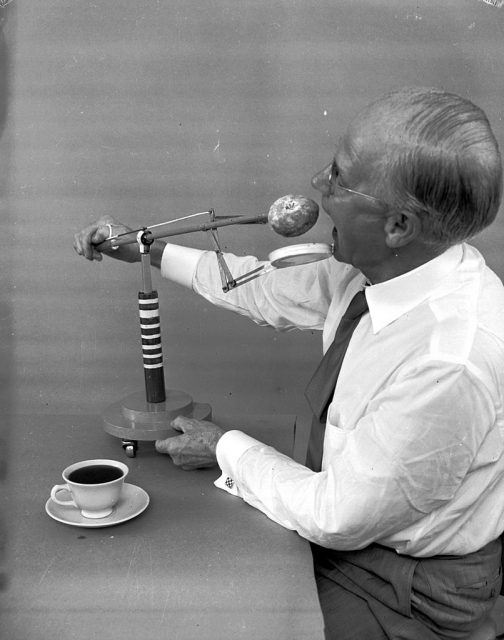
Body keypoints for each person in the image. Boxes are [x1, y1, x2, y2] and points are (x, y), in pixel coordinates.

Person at [74, 86, 504, 640]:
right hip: (355, 539)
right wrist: (142, 248)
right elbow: (259, 289)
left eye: (339, 177)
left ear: (399, 225)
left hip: (407, 592)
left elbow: (337, 517)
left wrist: (225, 447)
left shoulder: (448, 362)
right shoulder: (379, 272)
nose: (316, 186)